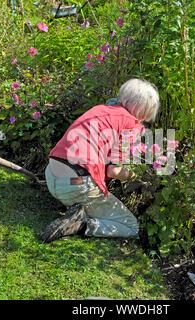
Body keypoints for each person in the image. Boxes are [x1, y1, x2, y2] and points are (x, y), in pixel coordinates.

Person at [40, 78, 160, 243]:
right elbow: (113, 171)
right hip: (74, 184)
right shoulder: (132, 125)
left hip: (52, 176)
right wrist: (134, 177)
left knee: (84, 181)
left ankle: (75, 206)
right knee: (131, 226)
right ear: (144, 111)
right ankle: (81, 224)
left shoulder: (100, 109)